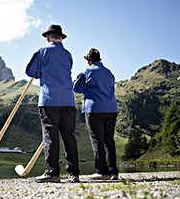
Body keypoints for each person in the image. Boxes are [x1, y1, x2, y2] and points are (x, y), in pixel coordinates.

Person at [26, 24, 80, 183]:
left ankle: (52, 172)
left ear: (48, 37)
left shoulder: (42, 51)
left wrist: (42, 71)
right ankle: (74, 173)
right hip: (68, 100)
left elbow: (31, 72)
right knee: (68, 136)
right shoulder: (68, 54)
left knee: (50, 135)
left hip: (49, 99)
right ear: (61, 38)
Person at [73, 48, 119, 180]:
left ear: (88, 61)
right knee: (109, 141)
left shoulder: (86, 72)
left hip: (94, 109)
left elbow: (76, 89)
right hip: (111, 109)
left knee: (97, 140)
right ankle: (113, 172)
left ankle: (101, 171)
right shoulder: (109, 73)